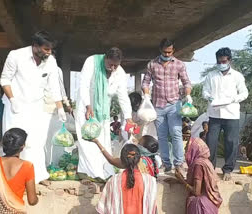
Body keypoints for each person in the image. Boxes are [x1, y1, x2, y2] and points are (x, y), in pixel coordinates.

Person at [0, 31, 66, 184]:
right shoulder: (16, 56)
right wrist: (12, 99)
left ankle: (37, 175)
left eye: (51, 49)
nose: (49, 53)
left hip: (36, 106)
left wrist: (60, 107)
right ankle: (13, 177)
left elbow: (54, 86)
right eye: (46, 49)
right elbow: (4, 79)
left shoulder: (51, 61)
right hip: (15, 106)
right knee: (15, 142)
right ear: (35, 46)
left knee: (37, 141)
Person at [75, 47, 133, 181]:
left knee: (103, 141)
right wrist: (88, 105)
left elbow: (123, 95)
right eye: (110, 64)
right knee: (88, 142)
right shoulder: (92, 62)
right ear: (105, 58)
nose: (112, 68)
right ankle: (89, 173)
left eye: (116, 65)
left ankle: (105, 171)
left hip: (103, 113)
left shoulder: (120, 73)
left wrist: (128, 116)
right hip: (86, 109)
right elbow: (83, 84)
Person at [142, 38, 192, 173]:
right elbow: (145, 82)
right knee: (162, 136)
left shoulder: (179, 64)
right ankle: (166, 163)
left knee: (176, 133)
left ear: (173, 51)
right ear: (160, 50)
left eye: (170, 52)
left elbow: (186, 82)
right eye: (165, 52)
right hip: (157, 105)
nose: (167, 54)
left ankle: (179, 163)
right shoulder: (152, 64)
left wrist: (188, 94)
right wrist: (146, 95)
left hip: (174, 104)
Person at [202, 47, 248, 181]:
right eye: (219, 62)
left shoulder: (237, 76)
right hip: (215, 114)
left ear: (229, 60)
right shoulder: (211, 75)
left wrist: (234, 99)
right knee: (211, 142)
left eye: (223, 61)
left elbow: (244, 93)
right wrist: (209, 97)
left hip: (231, 114)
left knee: (231, 142)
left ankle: (228, 169)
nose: (221, 64)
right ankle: (210, 168)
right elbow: (205, 91)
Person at [96, 144, 157, 214]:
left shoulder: (114, 181)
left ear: (121, 160)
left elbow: (103, 208)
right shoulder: (150, 181)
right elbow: (153, 208)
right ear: (139, 159)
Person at [174, 138, 223, 214]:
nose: (185, 148)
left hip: (201, 206)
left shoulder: (198, 165)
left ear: (194, 149)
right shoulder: (206, 162)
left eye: (187, 146)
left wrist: (182, 181)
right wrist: (178, 180)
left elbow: (196, 192)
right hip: (210, 204)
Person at [91, 135, 160, 178]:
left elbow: (111, 160)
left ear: (143, 148)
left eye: (139, 143)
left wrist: (97, 143)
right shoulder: (155, 160)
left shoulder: (136, 160)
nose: (137, 143)